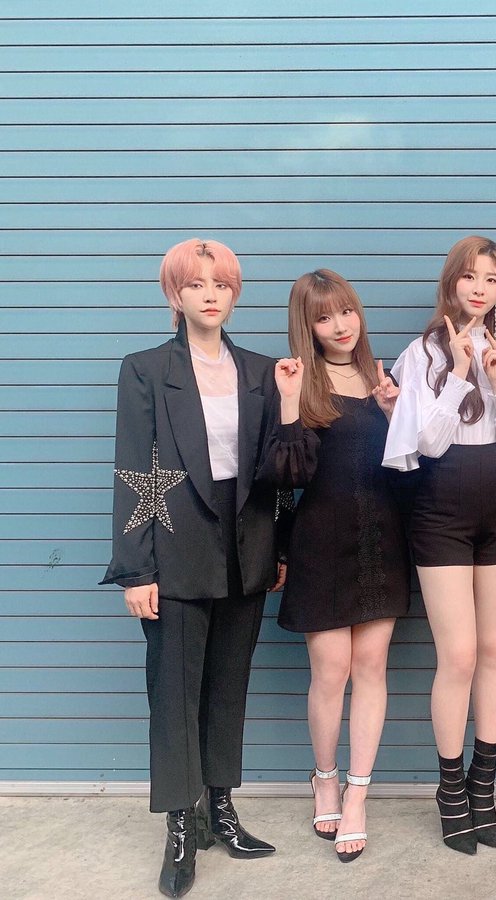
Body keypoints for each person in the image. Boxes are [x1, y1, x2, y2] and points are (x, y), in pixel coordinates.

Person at [101, 238, 286, 898]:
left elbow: (276, 472)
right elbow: (134, 469)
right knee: (175, 692)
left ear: (235, 294)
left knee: (228, 686)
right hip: (176, 550)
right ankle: (181, 825)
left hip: (246, 549)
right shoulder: (147, 370)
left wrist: (279, 550)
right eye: (196, 284)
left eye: (222, 284)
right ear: (174, 295)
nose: (211, 294)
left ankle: (222, 810)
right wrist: (136, 570)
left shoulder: (262, 371)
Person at [382, 235, 496, 855]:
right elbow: (426, 444)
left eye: (492, 279)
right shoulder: (421, 352)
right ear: (451, 283)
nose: (480, 288)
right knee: (459, 655)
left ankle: (484, 788)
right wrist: (456, 372)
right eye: (470, 276)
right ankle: (450, 789)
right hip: (440, 512)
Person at [261, 269, 412, 863]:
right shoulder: (297, 380)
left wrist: (395, 415)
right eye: (324, 317)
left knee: (371, 667)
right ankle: (323, 777)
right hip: (320, 540)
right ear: (308, 325)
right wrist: (290, 403)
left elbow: (412, 476)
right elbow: (286, 475)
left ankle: (357, 795)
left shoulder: (385, 377)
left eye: (347, 311)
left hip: (381, 539)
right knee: (331, 671)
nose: (341, 325)